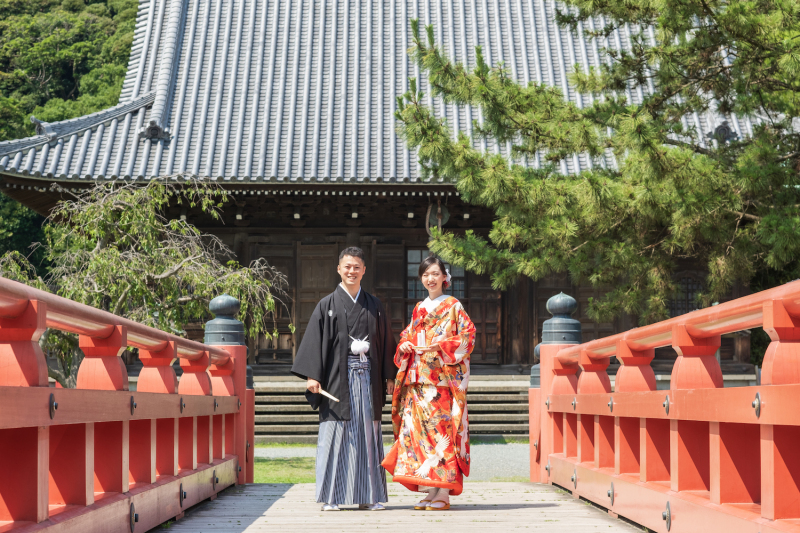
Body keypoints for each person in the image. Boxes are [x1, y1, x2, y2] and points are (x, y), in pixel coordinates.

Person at [291, 246, 397, 511]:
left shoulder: (375, 306)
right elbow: (315, 341)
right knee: (335, 433)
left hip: (368, 378)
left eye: (357, 267)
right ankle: (331, 497)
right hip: (337, 379)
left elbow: (386, 342)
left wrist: (389, 377)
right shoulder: (326, 305)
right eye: (347, 266)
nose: (352, 271)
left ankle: (369, 496)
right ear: (339, 269)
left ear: (364, 270)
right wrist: (312, 375)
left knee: (368, 435)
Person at [381, 255, 475, 511]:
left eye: (435, 273)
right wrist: (405, 345)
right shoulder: (419, 307)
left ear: (445, 277)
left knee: (441, 434)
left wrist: (442, 346)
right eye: (425, 274)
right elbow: (407, 335)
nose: (430, 279)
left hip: (442, 382)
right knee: (421, 436)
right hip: (418, 382)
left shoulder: (453, 305)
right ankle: (431, 489)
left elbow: (468, 336)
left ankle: (443, 492)